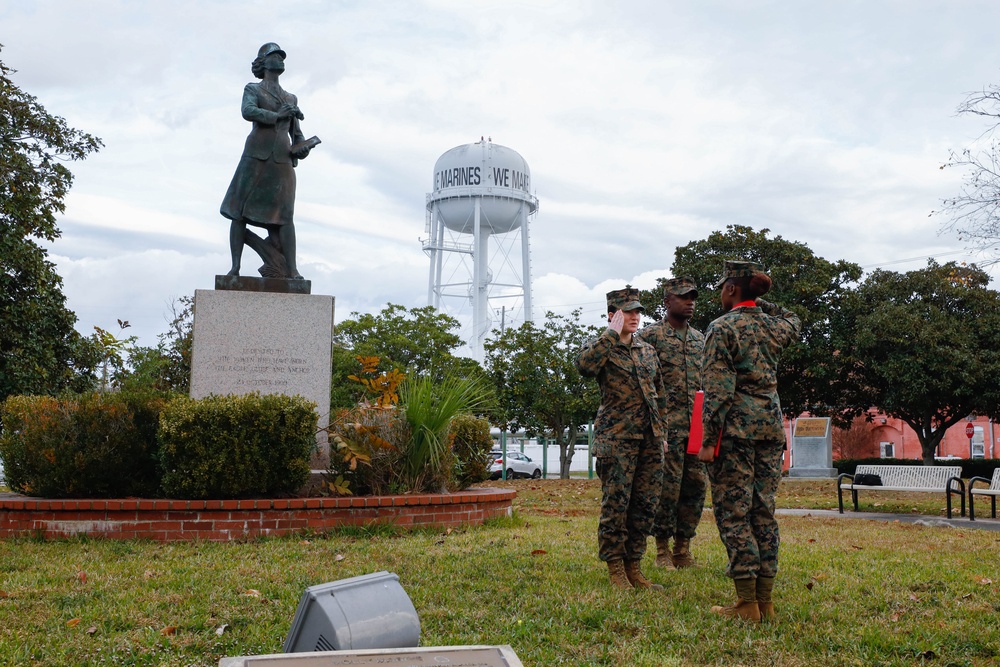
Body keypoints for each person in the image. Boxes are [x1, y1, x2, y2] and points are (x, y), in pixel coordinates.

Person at [698, 260, 800, 621]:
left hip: (735, 435)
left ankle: (745, 604)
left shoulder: (721, 328)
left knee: (734, 514)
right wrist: (764, 302)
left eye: (721, 286)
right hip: (771, 431)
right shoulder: (774, 327)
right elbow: (794, 319)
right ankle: (765, 602)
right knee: (763, 512)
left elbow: (718, 390)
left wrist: (708, 441)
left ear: (730, 289)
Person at [576, 287, 666, 590]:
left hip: (649, 441)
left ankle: (634, 566)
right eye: (628, 311)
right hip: (616, 439)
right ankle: (615, 568)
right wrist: (610, 335)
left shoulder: (647, 350)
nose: (635, 317)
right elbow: (585, 367)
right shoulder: (601, 347)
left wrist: (662, 432)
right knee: (617, 505)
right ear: (613, 315)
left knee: (644, 506)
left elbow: (659, 394)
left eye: (637, 311)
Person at [221, 42, 314, 279]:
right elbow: (248, 111)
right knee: (239, 212)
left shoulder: (291, 97)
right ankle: (235, 268)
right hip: (256, 154)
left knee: (285, 217)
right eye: (275, 56)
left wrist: (302, 148)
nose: (281, 60)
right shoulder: (253, 89)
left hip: (282, 159)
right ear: (263, 62)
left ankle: (292, 270)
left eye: (282, 57)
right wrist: (276, 116)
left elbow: (297, 133)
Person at [636, 277, 707, 570]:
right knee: (665, 489)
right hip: (666, 430)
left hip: (697, 429)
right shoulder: (650, 337)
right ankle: (662, 549)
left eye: (692, 297)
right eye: (682, 297)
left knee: (695, 487)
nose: (689, 302)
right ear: (667, 302)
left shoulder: (701, 339)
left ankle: (683, 548)